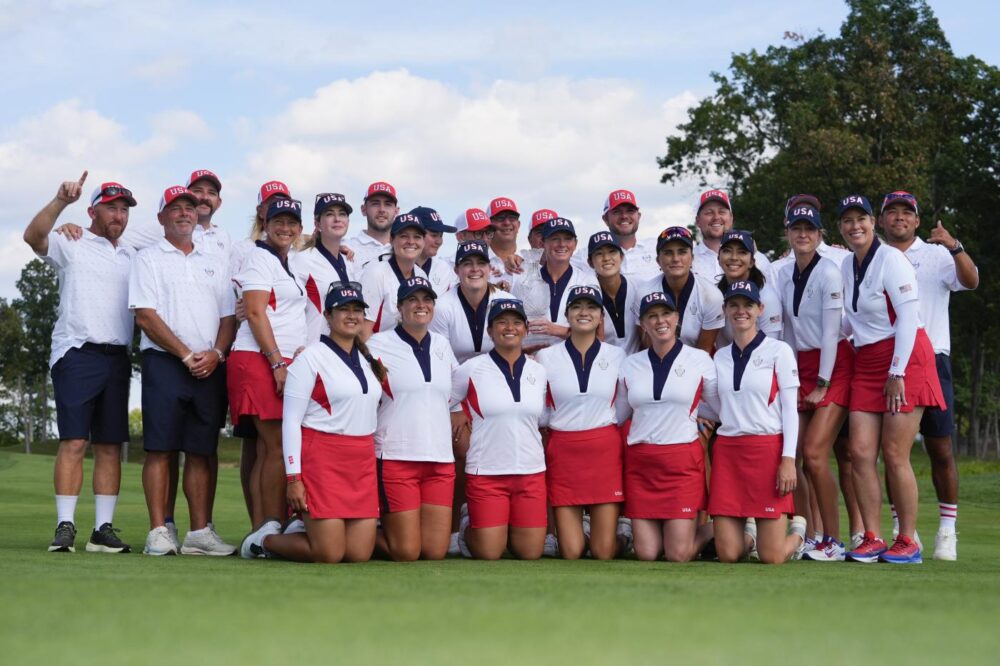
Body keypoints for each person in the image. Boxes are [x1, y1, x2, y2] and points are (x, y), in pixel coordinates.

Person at [24, 172, 135, 554]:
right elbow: (32, 237)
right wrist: (59, 204)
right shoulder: (71, 239)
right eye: (111, 208)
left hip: (117, 356)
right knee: (74, 440)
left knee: (109, 445)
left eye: (123, 210)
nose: (118, 215)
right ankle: (65, 525)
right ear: (93, 210)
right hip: (77, 352)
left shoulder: (132, 253)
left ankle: (102, 530)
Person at [836, 195, 945, 565]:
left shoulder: (892, 259)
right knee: (860, 453)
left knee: (895, 453)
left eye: (861, 218)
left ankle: (908, 540)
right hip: (867, 360)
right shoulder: (846, 265)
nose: (855, 226)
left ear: (873, 222)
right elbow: (850, 322)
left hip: (906, 357)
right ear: (840, 228)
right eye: (847, 220)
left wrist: (896, 372)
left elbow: (907, 316)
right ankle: (872, 536)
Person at [241, 283, 384, 562]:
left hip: (361, 460)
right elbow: (291, 422)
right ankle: (264, 541)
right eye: (344, 309)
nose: (352, 315)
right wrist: (294, 478)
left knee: (358, 554)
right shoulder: (309, 359)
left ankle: (301, 526)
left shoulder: (368, 360)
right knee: (329, 554)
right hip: (323, 458)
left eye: (357, 310)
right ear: (328, 316)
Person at [129, 186, 237, 556]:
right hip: (165, 362)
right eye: (176, 209)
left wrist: (218, 353)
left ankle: (198, 533)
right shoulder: (148, 258)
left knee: (201, 450)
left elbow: (228, 316)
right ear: (161, 217)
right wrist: (186, 354)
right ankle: (159, 531)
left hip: (210, 364)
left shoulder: (216, 260)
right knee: (160, 449)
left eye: (189, 208)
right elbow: (145, 315)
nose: (185, 214)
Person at [878, 191, 977, 561]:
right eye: (892, 212)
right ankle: (903, 527)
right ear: (882, 219)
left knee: (940, 448)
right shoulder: (875, 256)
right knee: (892, 452)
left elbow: (971, 281)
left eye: (907, 213)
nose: (899, 218)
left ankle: (947, 530)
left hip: (932, 357)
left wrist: (954, 246)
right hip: (887, 360)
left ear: (917, 221)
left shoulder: (936, 254)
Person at [775, 204, 855, 562]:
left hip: (833, 365)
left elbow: (829, 332)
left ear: (820, 234)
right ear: (788, 233)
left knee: (815, 454)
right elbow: (789, 330)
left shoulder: (829, 272)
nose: (802, 234)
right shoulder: (783, 273)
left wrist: (822, 382)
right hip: (801, 366)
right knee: (794, 454)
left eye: (809, 229)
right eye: (796, 228)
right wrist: (790, 376)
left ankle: (834, 541)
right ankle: (809, 535)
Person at [709, 280, 807, 564]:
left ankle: (798, 534)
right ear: (726, 310)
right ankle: (750, 533)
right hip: (729, 452)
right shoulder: (720, 357)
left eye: (748, 305)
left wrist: (788, 459)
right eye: (734, 305)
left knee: (772, 557)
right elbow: (718, 405)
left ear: (760, 309)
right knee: (728, 554)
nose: (741, 311)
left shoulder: (779, 351)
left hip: (767, 450)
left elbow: (790, 410)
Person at [429, 240, 515, 553]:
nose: (475, 269)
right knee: (460, 451)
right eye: (467, 263)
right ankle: (457, 525)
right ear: (457, 270)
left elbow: (513, 348)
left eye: (480, 263)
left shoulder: (506, 299)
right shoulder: (443, 305)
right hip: (456, 390)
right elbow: (440, 357)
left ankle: (487, 519)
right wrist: (455, 405)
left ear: (490, 268)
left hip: (497, 389)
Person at [618, 291, 718, 561]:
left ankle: (725, 528)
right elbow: (618, 415)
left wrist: (696, 414)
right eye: (652, 316)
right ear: (643, 324)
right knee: (647, 553)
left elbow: (720, 407)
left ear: (676, 318)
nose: (660, 321)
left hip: (681, 462)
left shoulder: (700, 360)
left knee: (678, 554)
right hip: (642, 464)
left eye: (665, 314)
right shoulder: (630, 364)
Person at [228, 197, 307, 530]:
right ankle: (268, 526)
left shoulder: (284, 261)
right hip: (259, 358)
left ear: (300, 229)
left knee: (268, 447)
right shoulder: (260, 258)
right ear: (265, 224)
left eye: (291, 223)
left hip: (275, 358)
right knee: (275, 445)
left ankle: (264, 526)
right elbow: (256, 312)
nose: (285, 228)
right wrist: (277, 362)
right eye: (279, 222)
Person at [367, 276, 459, 561]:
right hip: (397, 455)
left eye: (427, 300)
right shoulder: (377, 344)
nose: (421, 306)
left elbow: (454, 389)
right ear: (399, 307)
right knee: (406, 552)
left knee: (433, 551)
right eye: (412, 300)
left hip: (440, 459)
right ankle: (349, 534)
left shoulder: (442, 344)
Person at [451, 299, 548, 560]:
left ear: (526, 329)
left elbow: (545, 417)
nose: (509, 327)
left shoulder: (539, 371)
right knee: (489, 553)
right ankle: (468, 524)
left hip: (530, 471)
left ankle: (502, 527)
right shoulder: (471, 369)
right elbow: (446, 399)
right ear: (490, 330)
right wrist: (457, 412)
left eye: (517, 322)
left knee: (530, 553)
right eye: (501, 322)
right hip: (487, 471)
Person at [535, 286, 626, 560]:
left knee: (603, 552)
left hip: (603, 448)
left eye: (591, 307)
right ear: (567, 314)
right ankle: (587, 530)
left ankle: (624, 535)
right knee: (571, 552)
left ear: (601, 317)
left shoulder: (617, 356)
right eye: (577, 307)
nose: (584, 312)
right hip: (565, 449)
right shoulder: (546, 357)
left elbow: (622, 406)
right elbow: (543, 408)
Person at [509, 217, 598, 352]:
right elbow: (513, 328)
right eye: (555, 238)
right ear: (543, 243)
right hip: (533, 363)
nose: (562, 244)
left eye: (568, 239)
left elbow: (595, 333)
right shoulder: (523, 281)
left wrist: (556, 330)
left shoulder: (587, 281)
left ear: (575, 243)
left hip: (575, 360)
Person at [632, 226, 724, 354]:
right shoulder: (644, 293)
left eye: (682, 252)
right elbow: (647, 346)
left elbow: (704, 351)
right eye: (668, 253)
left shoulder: (711, 296)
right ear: (658, 260)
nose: (675, 259)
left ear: (692, 258)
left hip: (696, 365)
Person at [296, 192, 359, 343]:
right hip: (311, 347)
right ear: (317, 224)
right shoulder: (302, 259)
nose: (337, 219)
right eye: (330, 214)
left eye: (342, 214)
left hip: (344, 350)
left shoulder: (350, 262)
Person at [359, 213, 429, 338]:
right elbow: (363, 330)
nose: (411, 242)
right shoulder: (376, 272)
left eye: (417, 237)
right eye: (404, 236)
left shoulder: (421, 275)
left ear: (423, 241)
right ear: (391, 239)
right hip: (377, 352)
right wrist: (372, 358)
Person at [714, 230, 783, 346]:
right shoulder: (717, 294)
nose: (734, 257)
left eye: (742, 252)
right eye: (727, 251)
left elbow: (771, 348)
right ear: (718, 258)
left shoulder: (766, 297)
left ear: (752, 262)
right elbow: (722, 347)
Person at [692, 189, 772, 282]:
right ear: (698, 221)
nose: (716, 217)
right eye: (709, 213)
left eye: (722, 212)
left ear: (731, 218)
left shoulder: (759, 259)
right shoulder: (686, 261)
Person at [588, 231, 641, 354]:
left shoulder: (640, 287)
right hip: (603, 367)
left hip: (638, 366)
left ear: (621, 257)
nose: (606, 258)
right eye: (599, 254)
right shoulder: (587, 295)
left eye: (612, 252)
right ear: (590, 262)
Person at [590, 189, 659, 281]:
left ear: (638, 216)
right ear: (605, 219)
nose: (624, 216)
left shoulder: (657, 247)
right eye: (617, 212)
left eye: (630, 211)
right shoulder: (587, 254)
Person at [344, 181, 400, 270]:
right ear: (363, 209)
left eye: (388, 204)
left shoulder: (406, 249)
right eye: (375, 203)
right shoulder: (346, 247)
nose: (382, 210)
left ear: (396, 211)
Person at [411, 206, 459, 294]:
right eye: (434, 235)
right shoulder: (389, 267)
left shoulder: (445, 269)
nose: (439, 241)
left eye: (441, 236)